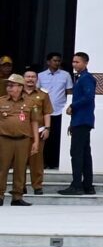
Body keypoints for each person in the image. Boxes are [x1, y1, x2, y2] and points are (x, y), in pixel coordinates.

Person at [64, 51, 97, 195]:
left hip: (82, 120)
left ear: (85, 63)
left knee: (77, 152)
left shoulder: (86, 78)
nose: (74, 64)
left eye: (77, 62)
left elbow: (89, 97)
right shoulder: (81, 78)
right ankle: (87, 185)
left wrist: (73, 106)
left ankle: (77, 184)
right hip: (80, 120)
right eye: (73, 62)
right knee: (84, 152)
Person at [35, 51, 68, 179]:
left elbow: (69, 91)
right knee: (44, 138)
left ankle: (55, 162)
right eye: (54, 60)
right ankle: (44, 162)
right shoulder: (40, 76)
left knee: (57, 138)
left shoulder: (65, 75)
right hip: (44, 112)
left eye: (58, 61)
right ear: (48, 62)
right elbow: (37, 92)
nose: (57, 63)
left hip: (60, 110)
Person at [0, 76, 33, 204]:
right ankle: (0, 195)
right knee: (2, 168)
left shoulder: (29, 102)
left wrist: (35, 141)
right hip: (4, 138)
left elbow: (34, 122)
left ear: (20, 87)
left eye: (12, 85)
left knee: (20, 168)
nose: (8, 87)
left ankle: (17, 197)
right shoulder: (1, 101)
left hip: (23, 139)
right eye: (8, 85)